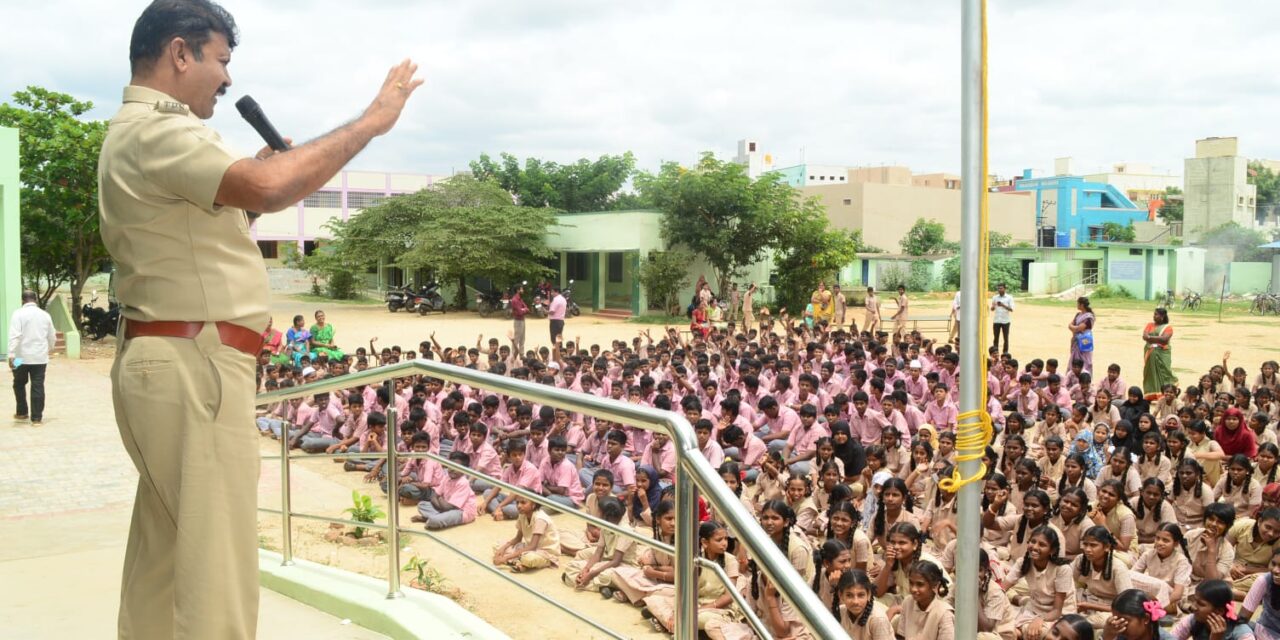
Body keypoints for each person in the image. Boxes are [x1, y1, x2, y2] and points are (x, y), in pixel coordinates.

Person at [97, 0, 421, 634]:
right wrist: (373, 123)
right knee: (215, 565)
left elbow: (210, 229)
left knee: (167, 557)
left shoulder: (140, 130)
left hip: (178, 358)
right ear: (180, 53)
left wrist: (250, 199)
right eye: (221, 60)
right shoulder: (160, 128)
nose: (227, 78)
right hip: (196, 366)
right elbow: (269, 186)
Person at [8, 290, 57, 425]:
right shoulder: (45, 315)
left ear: (22, 300)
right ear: (35, 299)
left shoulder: (18, 314)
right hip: (39, 357)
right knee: (37, 385)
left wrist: (11, 354)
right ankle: (36, 419)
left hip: (20, 357)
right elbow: (52, 336)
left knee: (18, 383)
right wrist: (48, 349)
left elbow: (15, 336)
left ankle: (22, 412)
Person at [1142, 308, 1174, 398]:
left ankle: (1168, 392)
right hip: (1150, 352)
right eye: (1154, 314)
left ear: (1162, 316)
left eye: (1156, 314)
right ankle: (1150, 394)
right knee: (1150, 373)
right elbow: (1144, 336)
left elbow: (1164, 340)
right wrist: (1154, 338)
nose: (1154, 316)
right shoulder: (1149, 325)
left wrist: (1150, 337)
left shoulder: (1168, 328)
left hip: (1162, 353)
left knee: (1165, 372)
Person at [1070, 296, 1097, 373]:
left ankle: (1085, 376)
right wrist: (1074, 328)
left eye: (1078, 304)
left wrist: (1074, 328)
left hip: (1085, 339)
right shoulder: (1078, 314)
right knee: (1074, 358)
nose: (1077, 305)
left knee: (1085, 358)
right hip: (1076, 339)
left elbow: (1079, 328)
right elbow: (1070, 325)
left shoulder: (1089, 317)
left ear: (1082, 305)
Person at [991, 282, 1015, 355]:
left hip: (1005, 321)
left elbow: (1011, 309)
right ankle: (995, 352)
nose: (999, 290)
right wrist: (993, 306)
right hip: (997, 320)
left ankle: (1005, 353)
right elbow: (992, 309)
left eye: (1001, 288)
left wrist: (1002, 305)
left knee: (1006, 338)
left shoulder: (1009, 297)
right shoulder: (995, 297)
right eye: (998, 288)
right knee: (995, 338)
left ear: (1005, 289)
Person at [510, 283, 528, 355]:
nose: (523, 290)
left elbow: (526, 308)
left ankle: (521, 354)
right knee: (517, 339)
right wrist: (524, 309)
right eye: (521, 289)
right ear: (518, 290)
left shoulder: (519, 299)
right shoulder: (515, 300)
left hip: (522, 320)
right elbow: (520, 312)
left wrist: (524, 309)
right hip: (518, 321)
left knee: (522, 339)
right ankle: (513, 354)